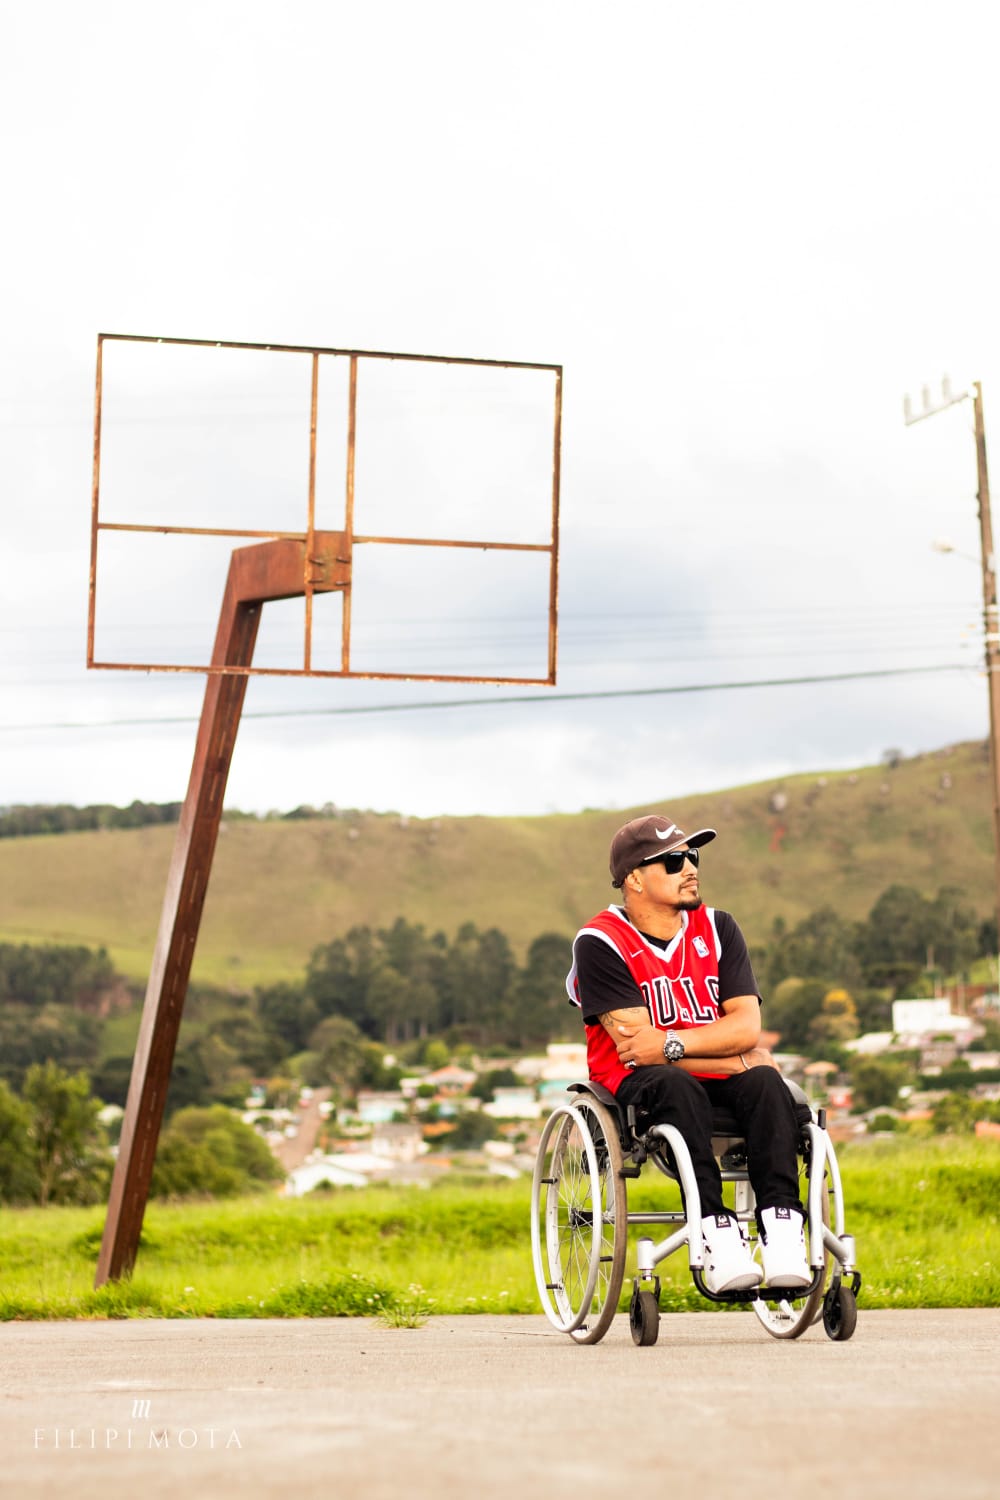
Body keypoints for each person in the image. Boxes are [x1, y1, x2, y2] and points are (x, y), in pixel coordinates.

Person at [566, 812, 811, 1295]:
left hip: (707, 1074)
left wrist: (678, 1044)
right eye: (674, 861)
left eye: (692, 857)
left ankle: (783, 1228)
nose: (690, 869)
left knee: (768, 1084)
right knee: (680, 1083)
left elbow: (746, 1026)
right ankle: (716, 1229)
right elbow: (639, 1051)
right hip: (635, 1085)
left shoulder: (719, 927)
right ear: (634, 879)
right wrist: (740, 1056)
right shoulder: (599, 942)